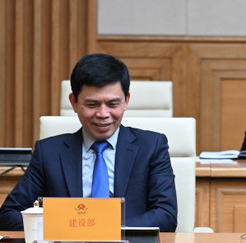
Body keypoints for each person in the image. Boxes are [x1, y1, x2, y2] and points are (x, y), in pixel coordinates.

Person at [0, 54, 177, 231]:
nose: (103, 114)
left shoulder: (152, 147)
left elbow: (166, 215)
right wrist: (69, 228)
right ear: (74, 102)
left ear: (126, 101)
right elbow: (8, 214)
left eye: (113, 104)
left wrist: (107, 230)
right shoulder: (49, 153)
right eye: (92, 104)